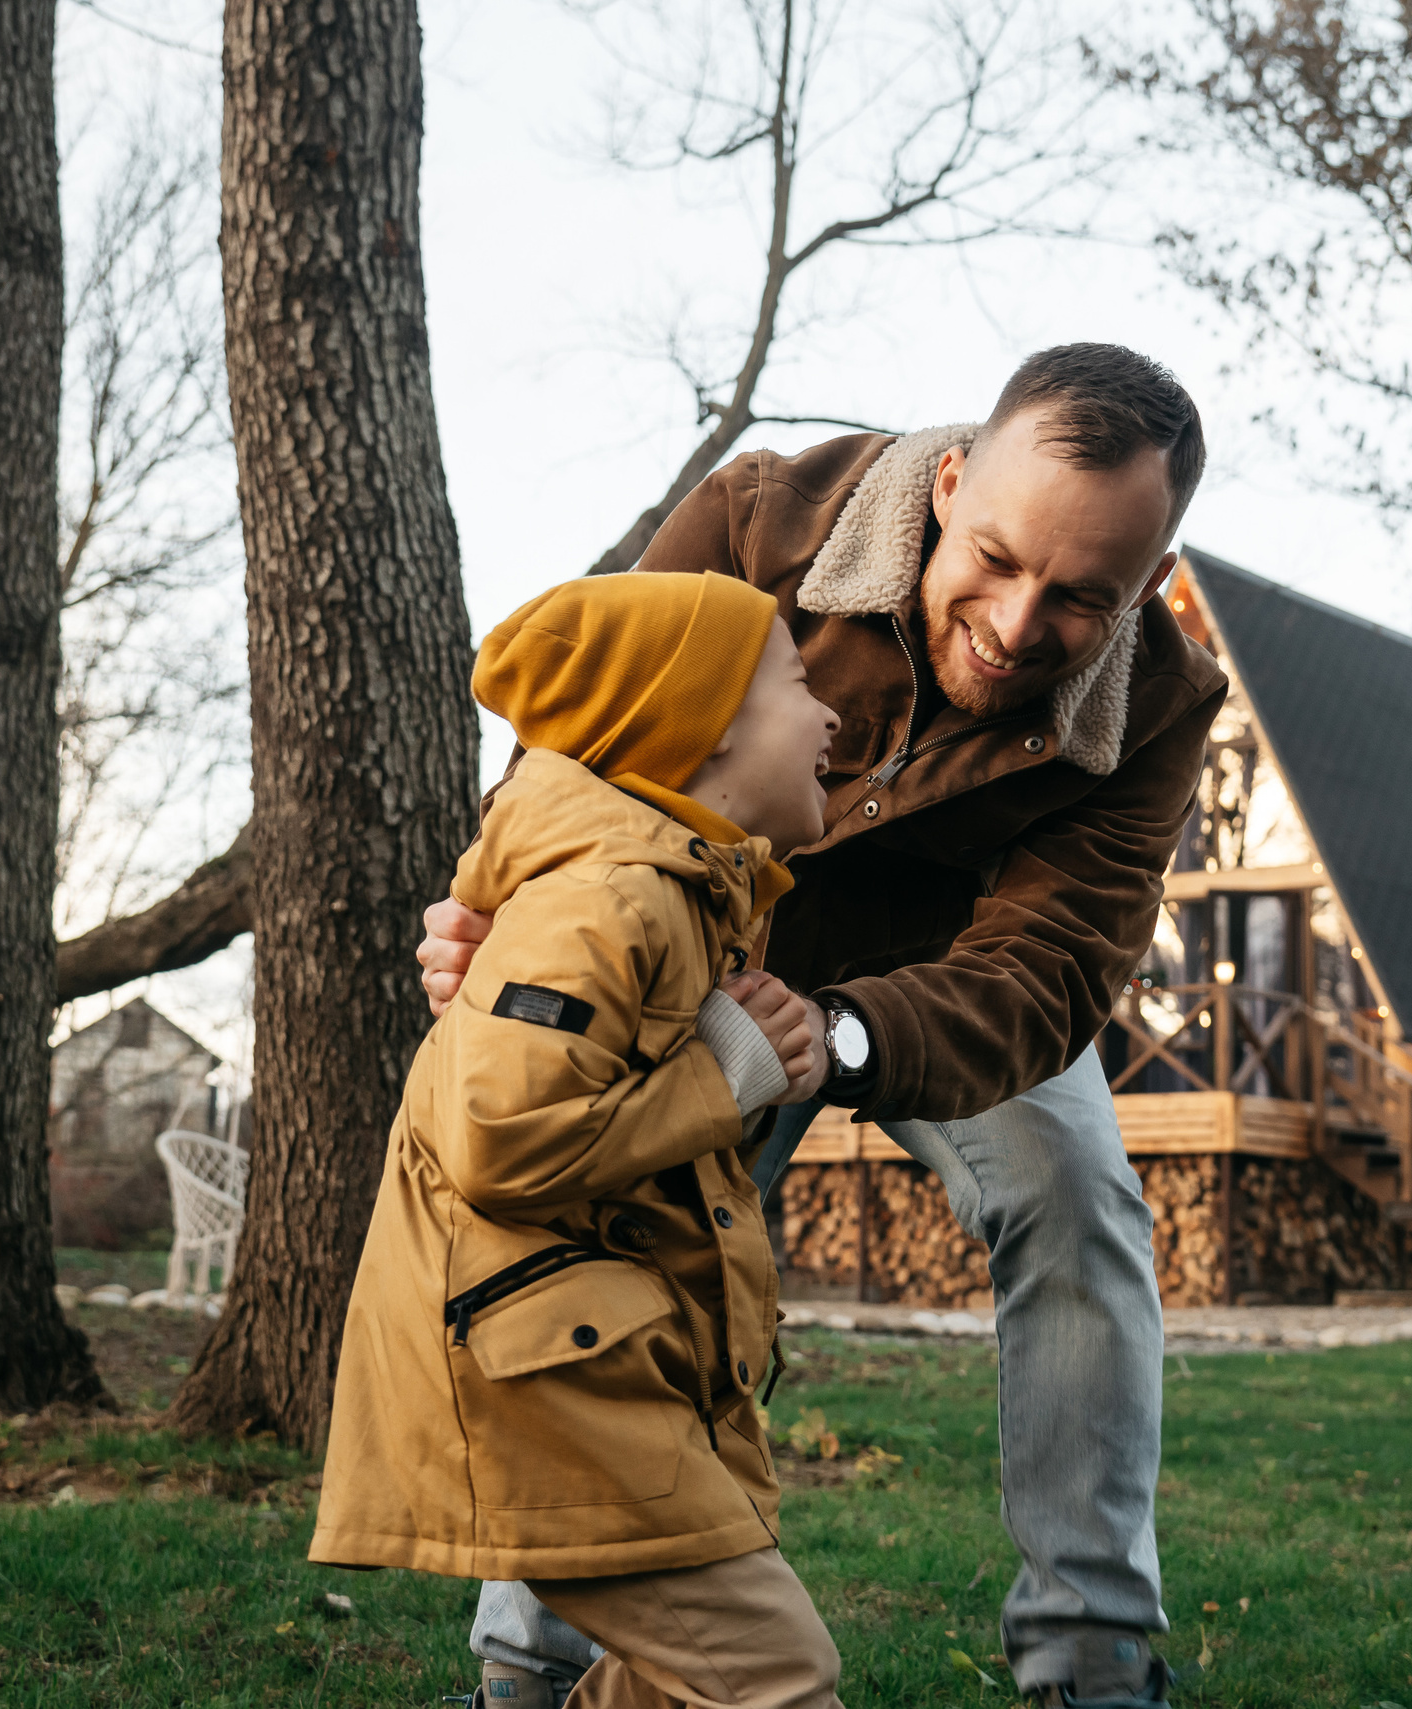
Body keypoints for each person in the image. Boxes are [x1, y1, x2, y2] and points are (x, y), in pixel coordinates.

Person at [423, 344, 1229, 1709]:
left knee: (1083, 1204)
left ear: (1147, 585)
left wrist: (836, 1037)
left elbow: (1052, 969)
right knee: (616, 1262)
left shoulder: (1160, 706)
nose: (1022, 623)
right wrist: (503, 914)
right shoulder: (760, 523)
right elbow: (586, 730)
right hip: (690, 959)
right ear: (955, 478)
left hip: (933, 995)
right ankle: (528, 1663)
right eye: (999, 557)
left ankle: (1092, 1660)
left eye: (1083, 597)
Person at [309, 571, 852, 1709]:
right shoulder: (605, 900)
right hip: (544, 1392)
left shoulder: (683, 898)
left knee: (682, 1681)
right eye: (798, 684)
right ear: (698, 730)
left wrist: (742, 1060)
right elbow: (498, 1139)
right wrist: (729, 1071)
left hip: (609, 1376)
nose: (833, 714)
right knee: (775, 1677)